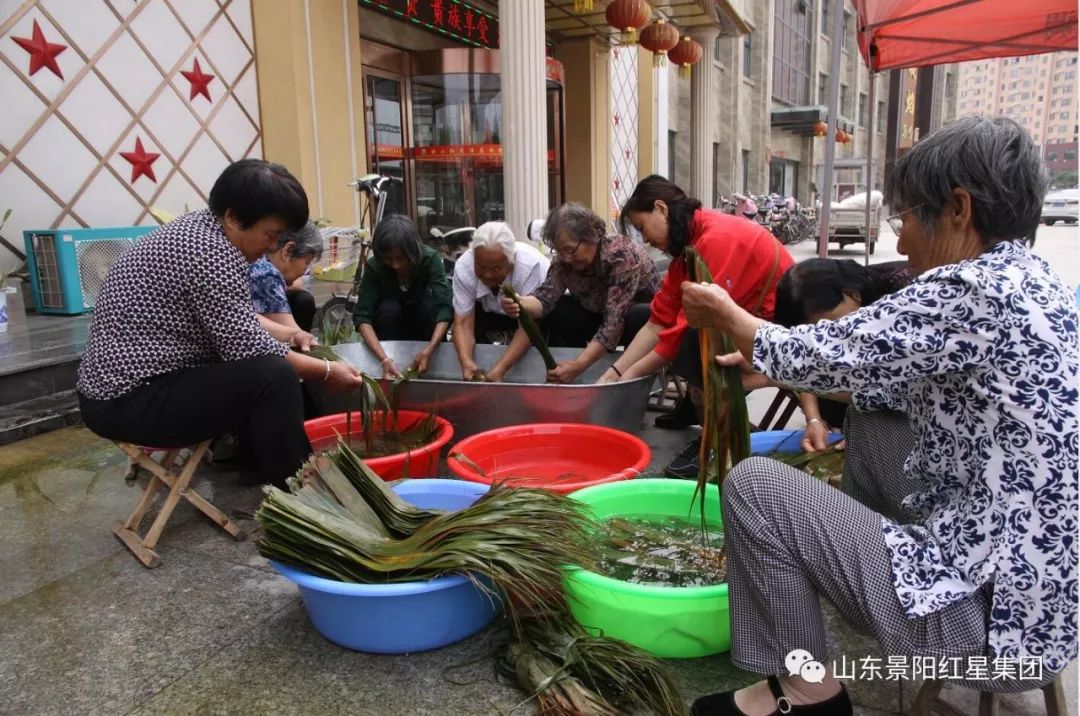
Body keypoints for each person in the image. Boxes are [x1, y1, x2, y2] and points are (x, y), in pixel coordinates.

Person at [680, 116, 1076, 716]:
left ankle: (807, 690)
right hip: (1044, 615)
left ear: (960, 209)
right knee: (873, 415)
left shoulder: (972, 288)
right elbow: (864, 371)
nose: (902, 241)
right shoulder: (1039, 285)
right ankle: (843, 556)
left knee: (756, 486)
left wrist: (730, 314)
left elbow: (829, 353)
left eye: (908, 218)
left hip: (985, 634)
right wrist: (770, 361)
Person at [77, 160, 364, 490]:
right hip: (127, 399)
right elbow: (251, 350)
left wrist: (291, 335)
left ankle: (274, 464)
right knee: (273, 376)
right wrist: (328, 370)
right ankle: (301, 493)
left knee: (273, 372)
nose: (272, 248)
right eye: (269, 235)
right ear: (233, 217)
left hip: (134, 387)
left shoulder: (202, 230)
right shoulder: (211, 254)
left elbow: (236, 321)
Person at [603, 175, 794, 478]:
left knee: (694, 338)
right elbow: (658, 319)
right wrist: (611, 376)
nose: (646, 240)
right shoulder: (687, 245)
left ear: (661, 208)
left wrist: (627, 381)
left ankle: (717, 439)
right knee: (640, 314)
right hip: (742, 315)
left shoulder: (714, 239)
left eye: (642, 228)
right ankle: (693, 406)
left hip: (776, 326)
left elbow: (675, 334)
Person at [502, 202, 659, 384]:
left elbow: (614, 322)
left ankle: (629, 378)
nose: (567, 257)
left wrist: (579, 365)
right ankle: (560, 370)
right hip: (599, 318)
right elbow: (544, 300)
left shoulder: (621, 256)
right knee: (560, 309)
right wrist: (520, 303)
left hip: (641, 326)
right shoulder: (563, 263)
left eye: (570, 250)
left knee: (640, 314)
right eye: (560, 251)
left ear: (590, 236)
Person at [773, 257, 913, 452]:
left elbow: (903, 392)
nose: (828, 341)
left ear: (852, 295)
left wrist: (872, 435)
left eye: (829, 329)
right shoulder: (850, 298)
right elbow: (809, 361)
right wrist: (814, 419)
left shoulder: (904, 299)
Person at [352, 214, 453, 378]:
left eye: (400, 258)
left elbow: (445, 308)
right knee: (388, 308)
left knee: (428, 306)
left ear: (413, 251)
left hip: (424, 333)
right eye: (388, 259)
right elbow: (362, 317)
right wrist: (383, 359)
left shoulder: (430, 259)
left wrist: (430, 349)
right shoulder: (374, 267)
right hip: (388, 336)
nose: (395, 265)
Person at [451, 221, 550, 382]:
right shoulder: (464, 266)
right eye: (481, 267)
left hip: (530, 318)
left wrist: (500, 369)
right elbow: (462, 322)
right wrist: (466, 361)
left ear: (511, 261)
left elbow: (528, 327)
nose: (487, 275)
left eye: (496, 269)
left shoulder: (531, 265)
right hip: (489, 311)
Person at [249, 221, 324, 344]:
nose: (306, 270)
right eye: (307, 262)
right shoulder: (265, 274)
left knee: (303, 299)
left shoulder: (261, 259)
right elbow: (297, 336)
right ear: (287, 251)